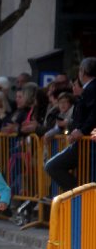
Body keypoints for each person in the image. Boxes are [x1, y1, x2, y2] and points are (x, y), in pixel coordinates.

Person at [45, 58, 96, 191]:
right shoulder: (89, 88)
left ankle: (81, 194)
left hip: (87, 143)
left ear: (83, 71)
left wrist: (82, 130)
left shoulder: (92, 88)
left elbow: (93, 114)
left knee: (53, 166)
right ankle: (82, 194)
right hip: (83, 143)